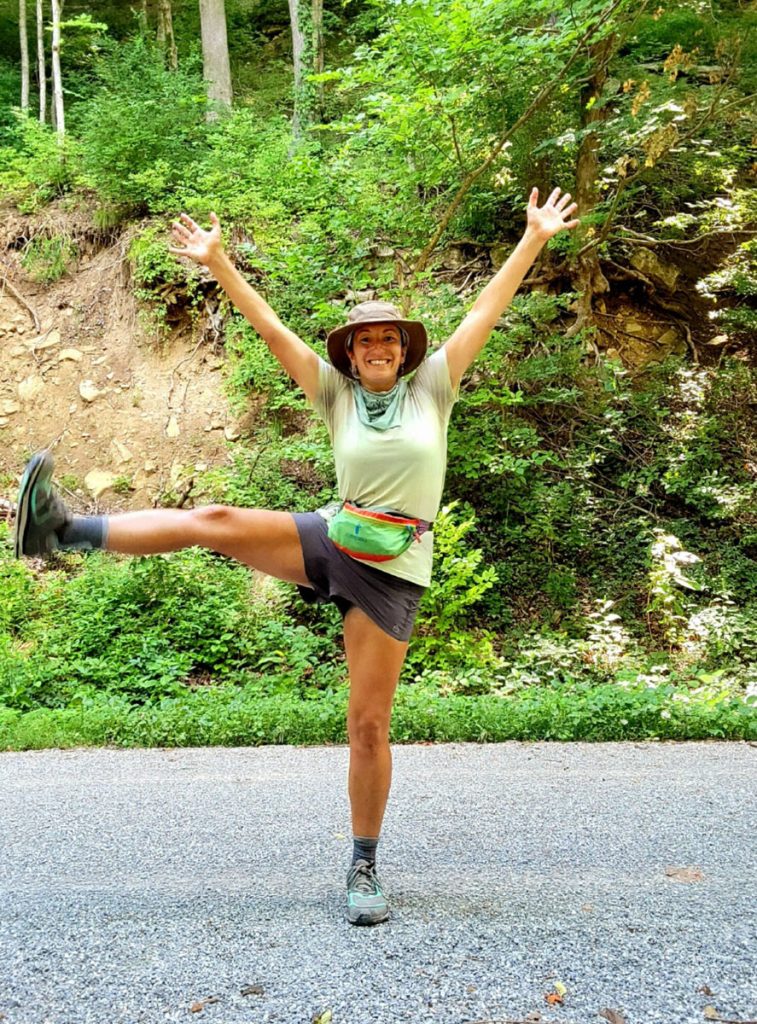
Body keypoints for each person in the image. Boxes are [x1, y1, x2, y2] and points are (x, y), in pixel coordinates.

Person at [14, 186, 579, 925]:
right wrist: (218, 262)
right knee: (214, 519)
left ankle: (364, 864)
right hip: (334, 534)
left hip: (394, 566)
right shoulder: (335, 394)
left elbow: (483, 311)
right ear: (351, 353)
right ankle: (61, 532)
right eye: (365, 341)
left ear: (405, 351)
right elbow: (272, 328)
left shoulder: (432, 390)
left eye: (389, 339)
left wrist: (533, 237)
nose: (378, 348)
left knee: (367, 724)